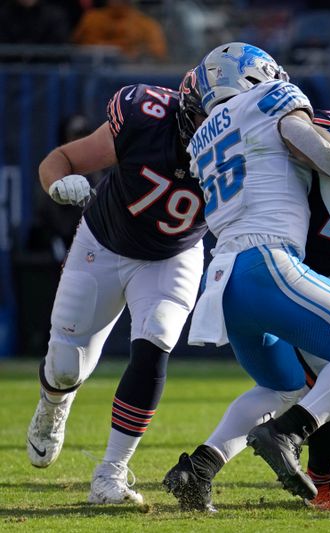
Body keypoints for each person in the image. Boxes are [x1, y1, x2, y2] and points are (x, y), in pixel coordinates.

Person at [163, 74, 330, 511]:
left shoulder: (205, 136)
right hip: (268, 262)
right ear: (256, 78)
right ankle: (289, 433)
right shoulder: (270, 99)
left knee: (281, 388)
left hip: (223, 281)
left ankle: (198, 469)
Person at [27, 70, 208, 505]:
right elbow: (60, 159)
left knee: (156, 340)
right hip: (104, 243)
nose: (224, 129)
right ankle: (54, 403)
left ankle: (111, 473)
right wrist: (57, 183)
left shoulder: (248, 147)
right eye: (215, 116)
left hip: (173, 255)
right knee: (67, 366)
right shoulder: (145, 117)